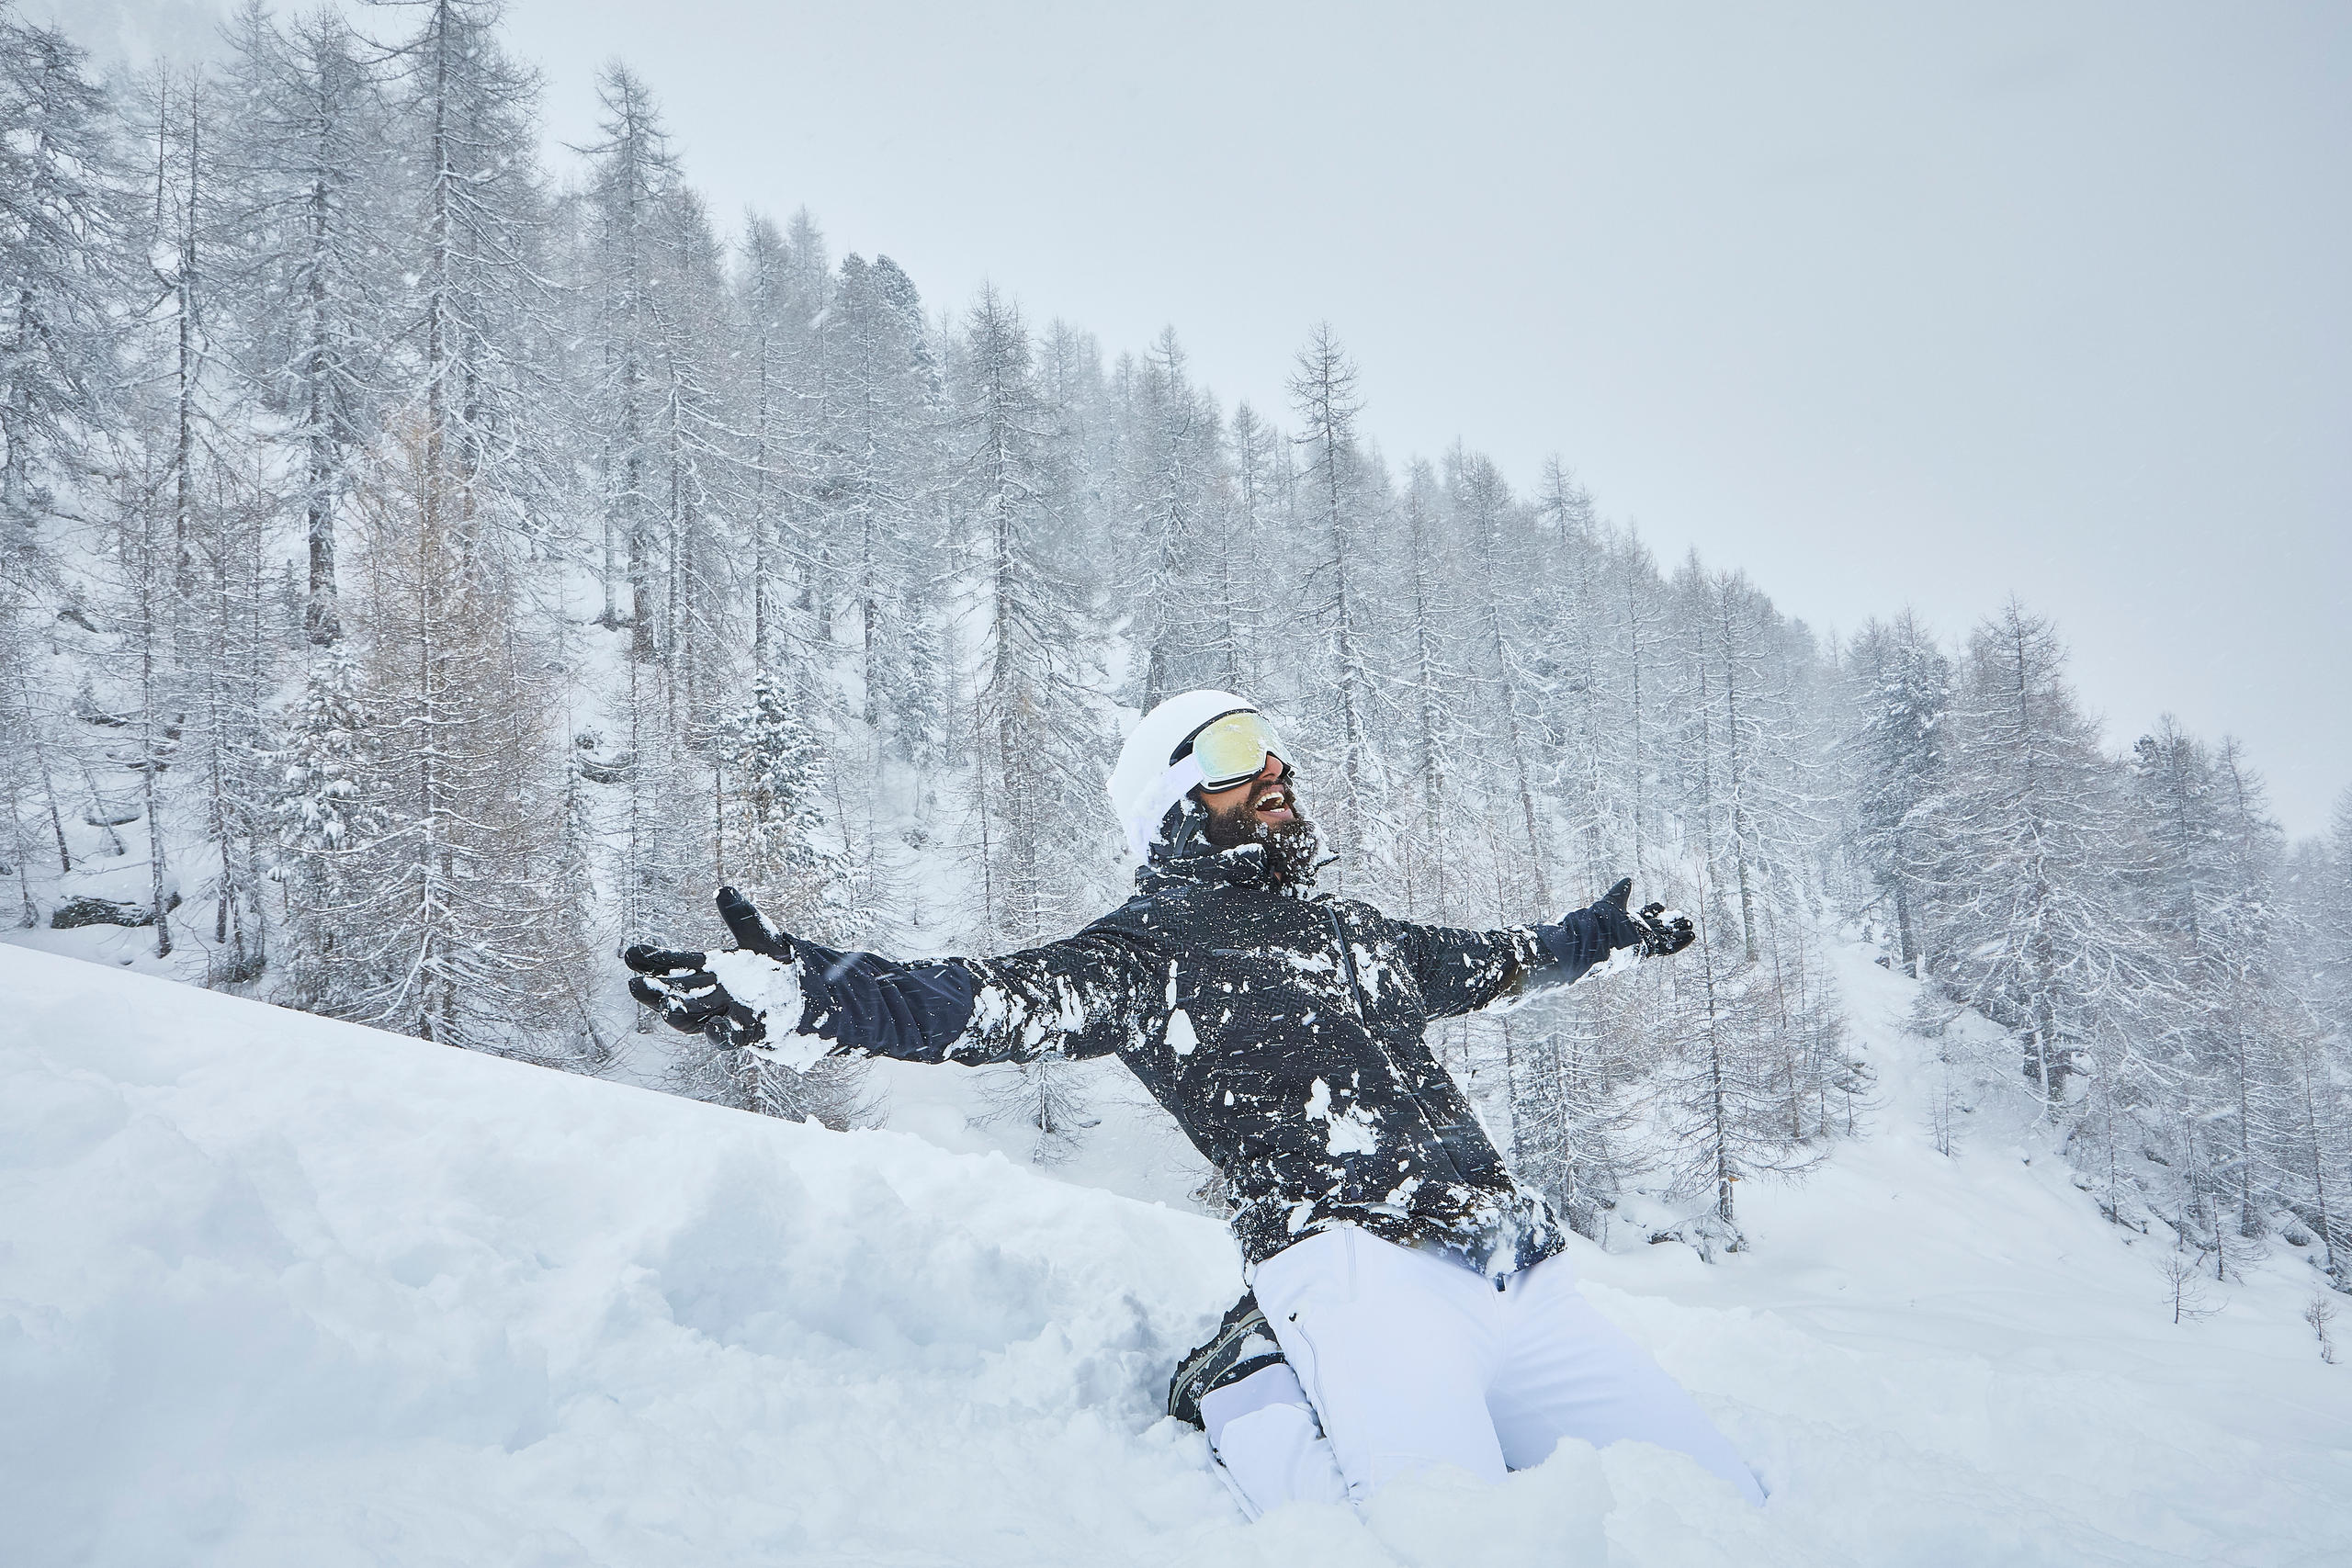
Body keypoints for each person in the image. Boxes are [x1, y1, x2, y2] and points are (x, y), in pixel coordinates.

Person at [625, 689, 1766, 1516]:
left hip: (1519, 1269)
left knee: (1728, 1513)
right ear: (1172, 801)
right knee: (1442, 1542)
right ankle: (1255, 1389)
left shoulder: (1355, 934)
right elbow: (975, 1003)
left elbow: (1500, 960)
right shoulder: (1144, 957)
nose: (1271, 772)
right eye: (1230, 755)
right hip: (1357, 1275)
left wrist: (1602, 939)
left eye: (1273, 752)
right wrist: (810, 996)